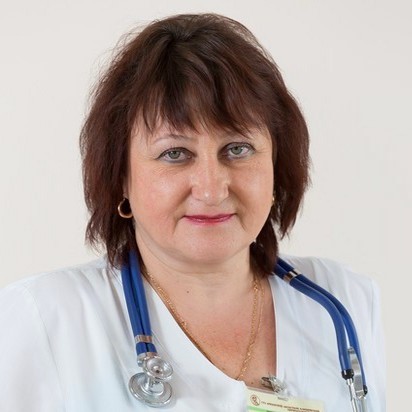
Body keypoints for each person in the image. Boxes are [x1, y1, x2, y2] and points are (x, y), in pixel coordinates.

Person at [0, 13, 385, 412]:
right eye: (175, 153)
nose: (212, 189)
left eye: (237, 149)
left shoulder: (347, 301)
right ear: (121, 177)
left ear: (277, 165)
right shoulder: (43, 320)